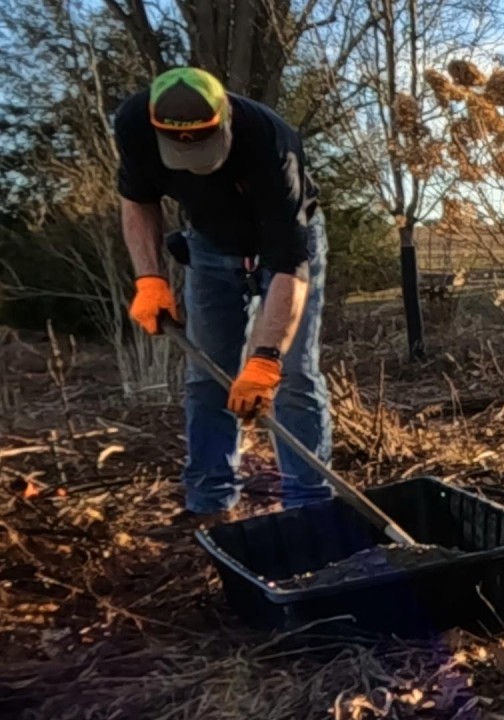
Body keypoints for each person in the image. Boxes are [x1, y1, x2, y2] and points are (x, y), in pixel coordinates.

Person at [114, 67, 332, 521]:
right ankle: (209, 503)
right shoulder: (134, 124)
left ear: (224, 118)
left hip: (284, 245)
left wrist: (266, 357)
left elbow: (289, 265)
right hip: (209, 244)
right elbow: (137, 199)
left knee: (294, 376)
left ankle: (309, 506)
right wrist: (149, 279)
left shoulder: (270, 141)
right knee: (207, 376)